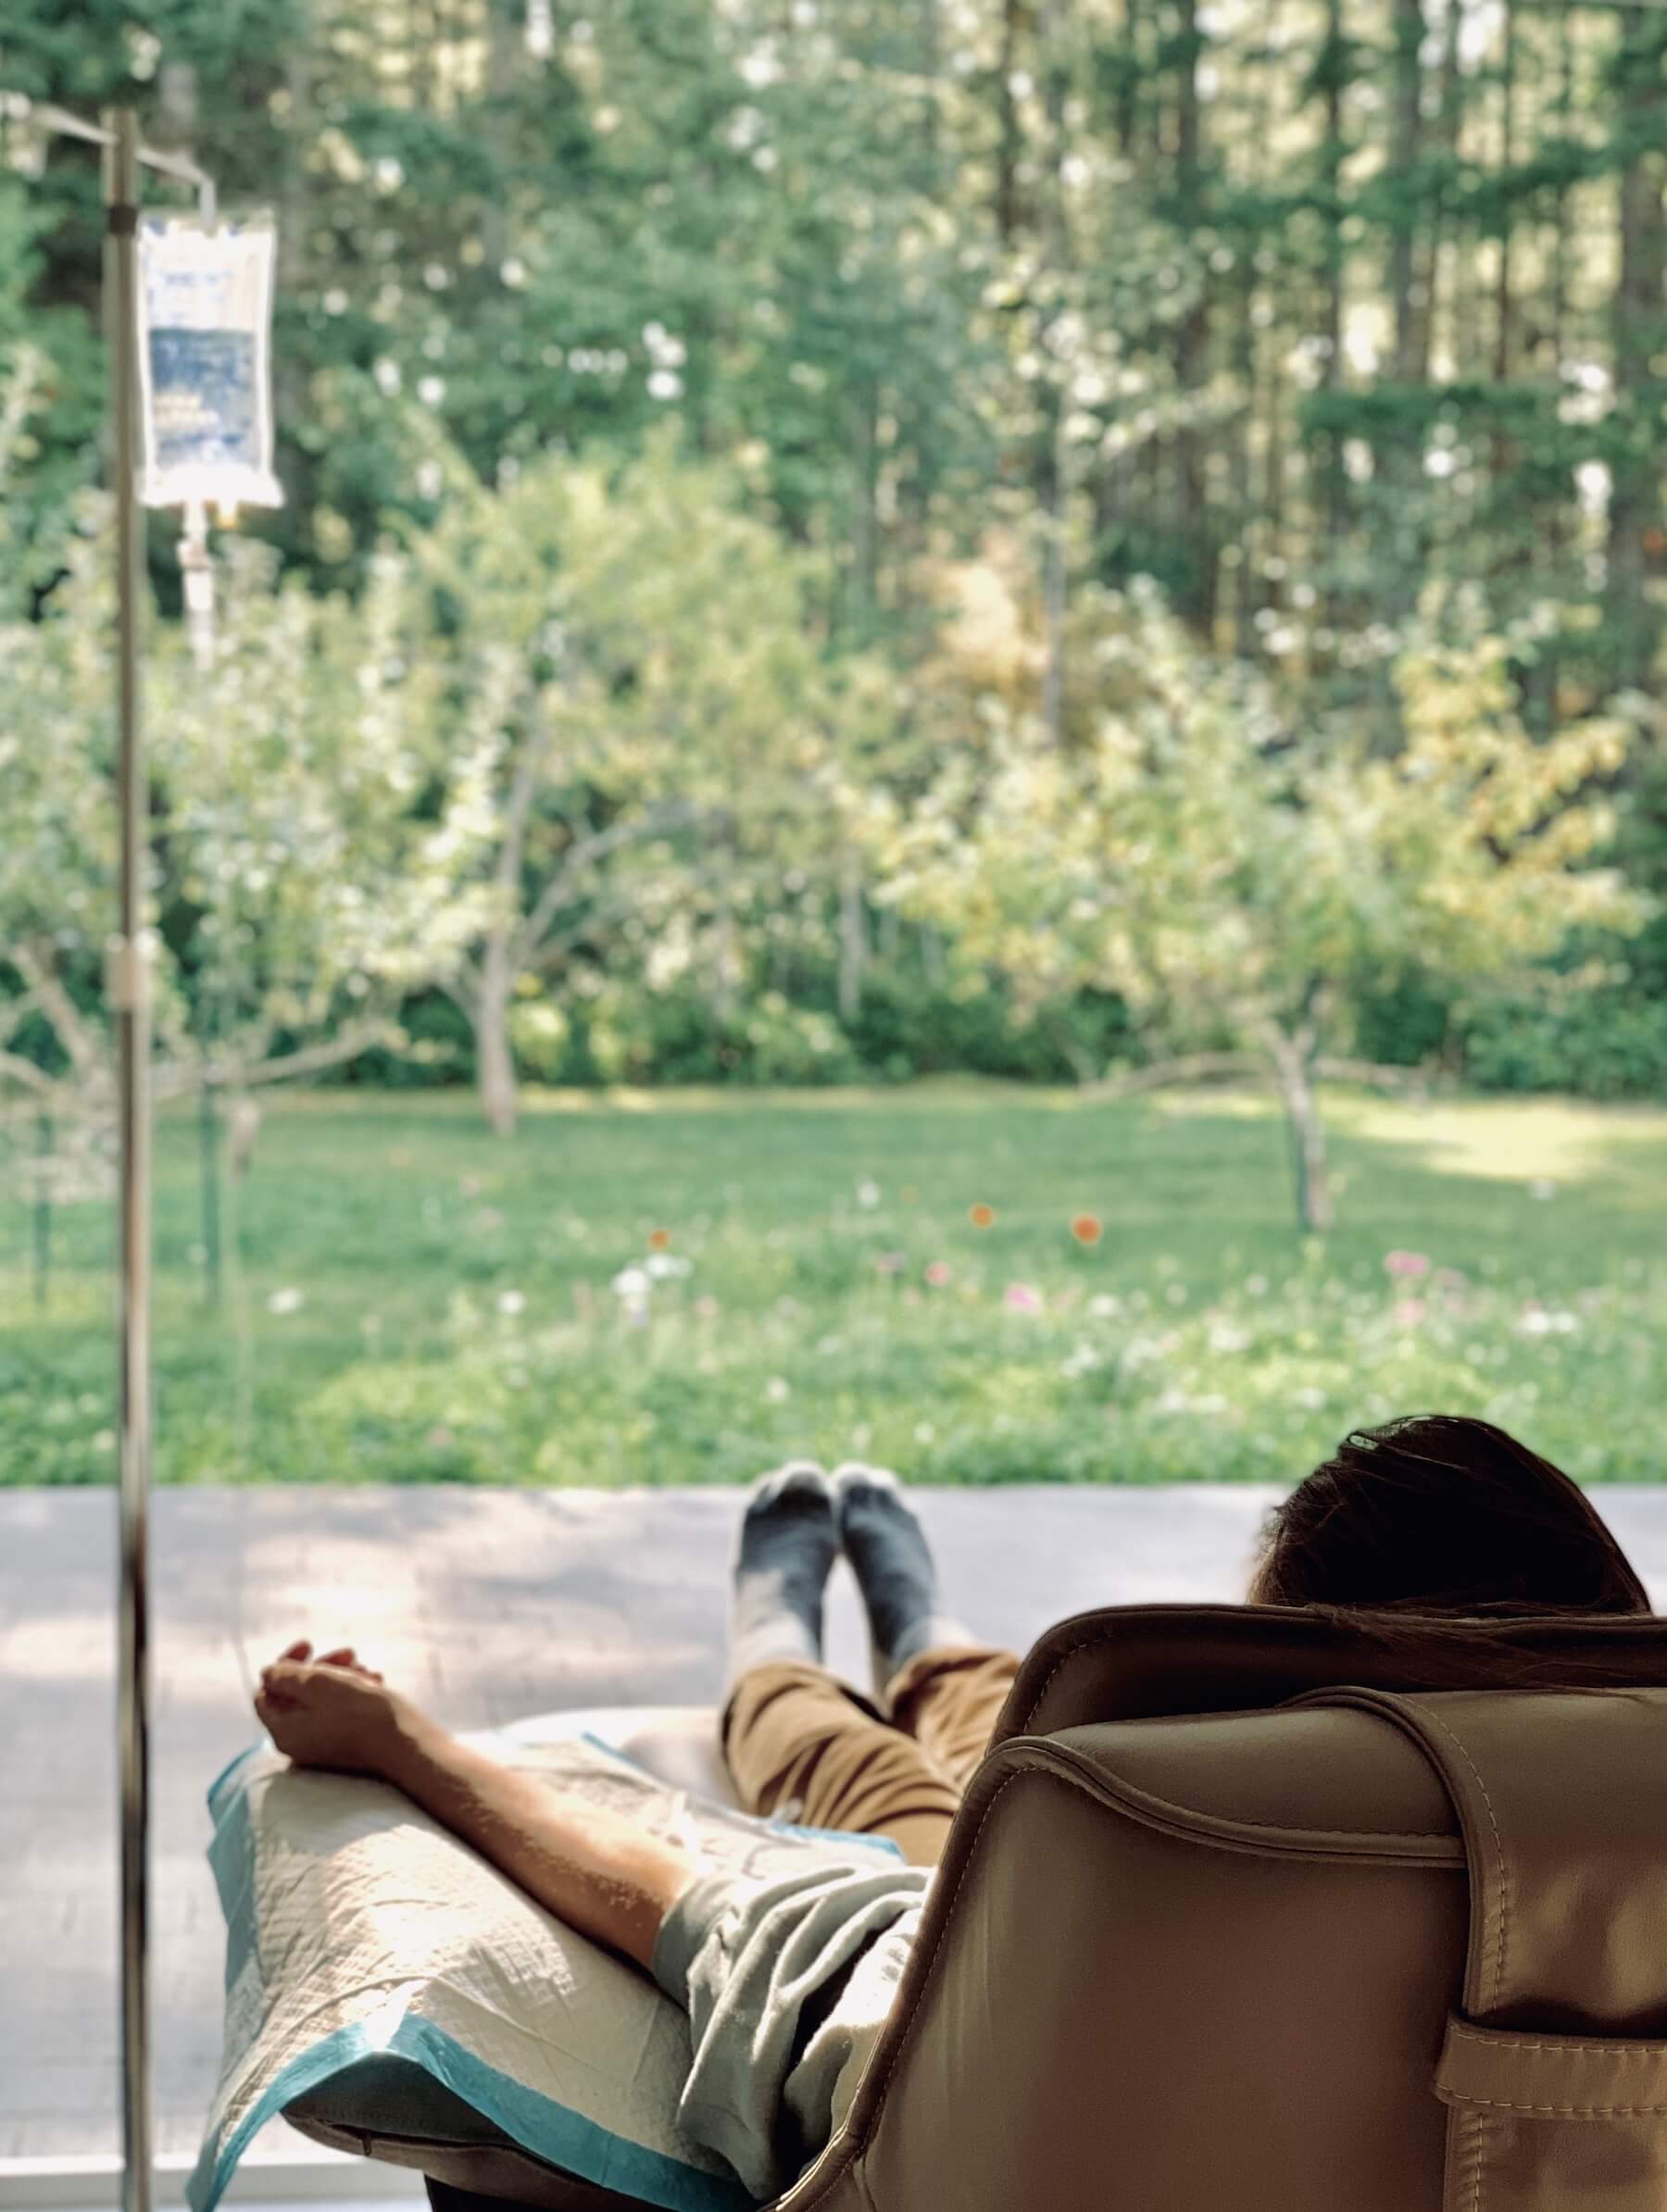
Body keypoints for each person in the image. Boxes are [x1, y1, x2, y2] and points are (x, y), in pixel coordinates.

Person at [254, 1416, 1651, 2201]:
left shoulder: (995, 2008)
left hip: (1005, 1942)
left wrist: (410, 1743)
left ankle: (786, 1636)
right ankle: (930, 1630)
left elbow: (677, 1899)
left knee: (853, 1770)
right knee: (1010, 1728)